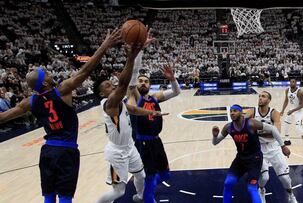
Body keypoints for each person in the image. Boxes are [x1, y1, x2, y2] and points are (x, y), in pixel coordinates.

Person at [0, 28, 122, 203]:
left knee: (49, 197)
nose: (50, 75)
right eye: (47, 74)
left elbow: (3, 118)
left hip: (48, 151)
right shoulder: (62, 91)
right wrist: (105, 45)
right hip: (66, 150)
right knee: (65, 197)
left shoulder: (29, 102)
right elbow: (85, 70)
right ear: (46, 81)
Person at [93, 43, 168, 203]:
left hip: (129, 146)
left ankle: (140, 197)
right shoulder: (110, 103)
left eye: (110, 82)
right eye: (107, 85)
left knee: (140, 175)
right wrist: (132, 56)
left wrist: (151, 112)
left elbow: (133, 110)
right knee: (118, 192)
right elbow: (124, 83)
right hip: (117, 153)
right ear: (102, 93)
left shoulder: (120, 103)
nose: (111, 85)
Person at [127, 57, 181, 203]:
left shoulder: (154, 98)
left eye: (146, 81)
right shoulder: (134, 96)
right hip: (143, 143)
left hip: (157, 141)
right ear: (136, 84)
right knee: (150, 177)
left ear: (150, 84)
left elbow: (176, 92)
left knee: (165, 175)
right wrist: (136, 54)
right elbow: (132, 80)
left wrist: (172, 79)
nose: (143, 83)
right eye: (141, 81)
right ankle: (147, 197)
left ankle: (144, 191)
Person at [212, 104, 290, 203]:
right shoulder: (228, 127)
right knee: (228, 183)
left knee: (251, 188)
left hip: (255, 159)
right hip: (240, 159)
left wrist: (283, 146)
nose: (232, 113)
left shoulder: (251, 123)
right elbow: (215, 142)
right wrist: (214, 136)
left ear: (241, 113)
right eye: (231, 111)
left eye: (235, 111)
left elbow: (273, 129)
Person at [247, 91, 297, 203]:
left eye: (263, 96)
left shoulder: (274, 113)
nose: (260, 98)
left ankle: (291, 196)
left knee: (285, 178)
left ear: (269, 100)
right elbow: (241, 124)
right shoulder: (252, 111)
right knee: (264, 178)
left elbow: (276, 132)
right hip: (258, 149)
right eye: (259, 96)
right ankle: (261, 190)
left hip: (274, 148)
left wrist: (255, 131)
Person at [280, 78, 303, 153]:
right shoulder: (287, 90)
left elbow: (302, 105)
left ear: (296, 83)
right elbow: (286, 101)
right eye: (291, 82)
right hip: (292, 110)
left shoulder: (300, 92)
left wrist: (292, 111)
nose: (292, 83)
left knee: (298, 127)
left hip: (299, 111)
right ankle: (287, 140)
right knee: (286, 124)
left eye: (293, 82)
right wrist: (282, 110)